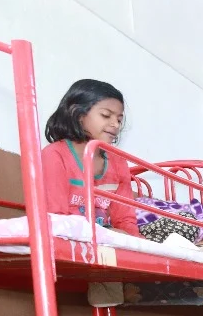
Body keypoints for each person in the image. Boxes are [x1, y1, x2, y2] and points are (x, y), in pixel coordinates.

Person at [41, 79, 138, 234]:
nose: (116, 124)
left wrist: (133, 241)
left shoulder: (118, 162)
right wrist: (106, 234)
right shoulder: (54, 155)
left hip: (103, 241)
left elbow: (126, 220)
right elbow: (56, 219)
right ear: (78, 114)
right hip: (68, 239)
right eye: (106, 115)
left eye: (119, 119)